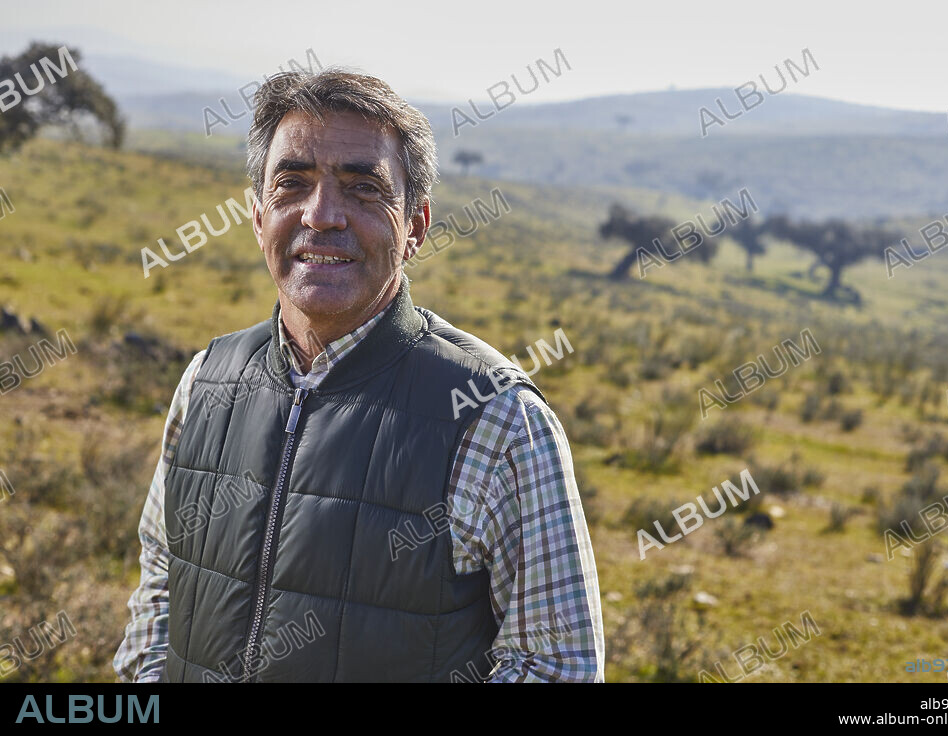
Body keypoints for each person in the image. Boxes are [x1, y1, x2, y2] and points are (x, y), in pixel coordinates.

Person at [113, 68, 604, 682]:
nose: (322, 215)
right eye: (292, 183)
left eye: (362, 188)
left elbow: (557, 666)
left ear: (416, 227)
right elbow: (161, 590)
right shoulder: (206, 382)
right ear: (259, 216)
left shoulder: (497, 419)